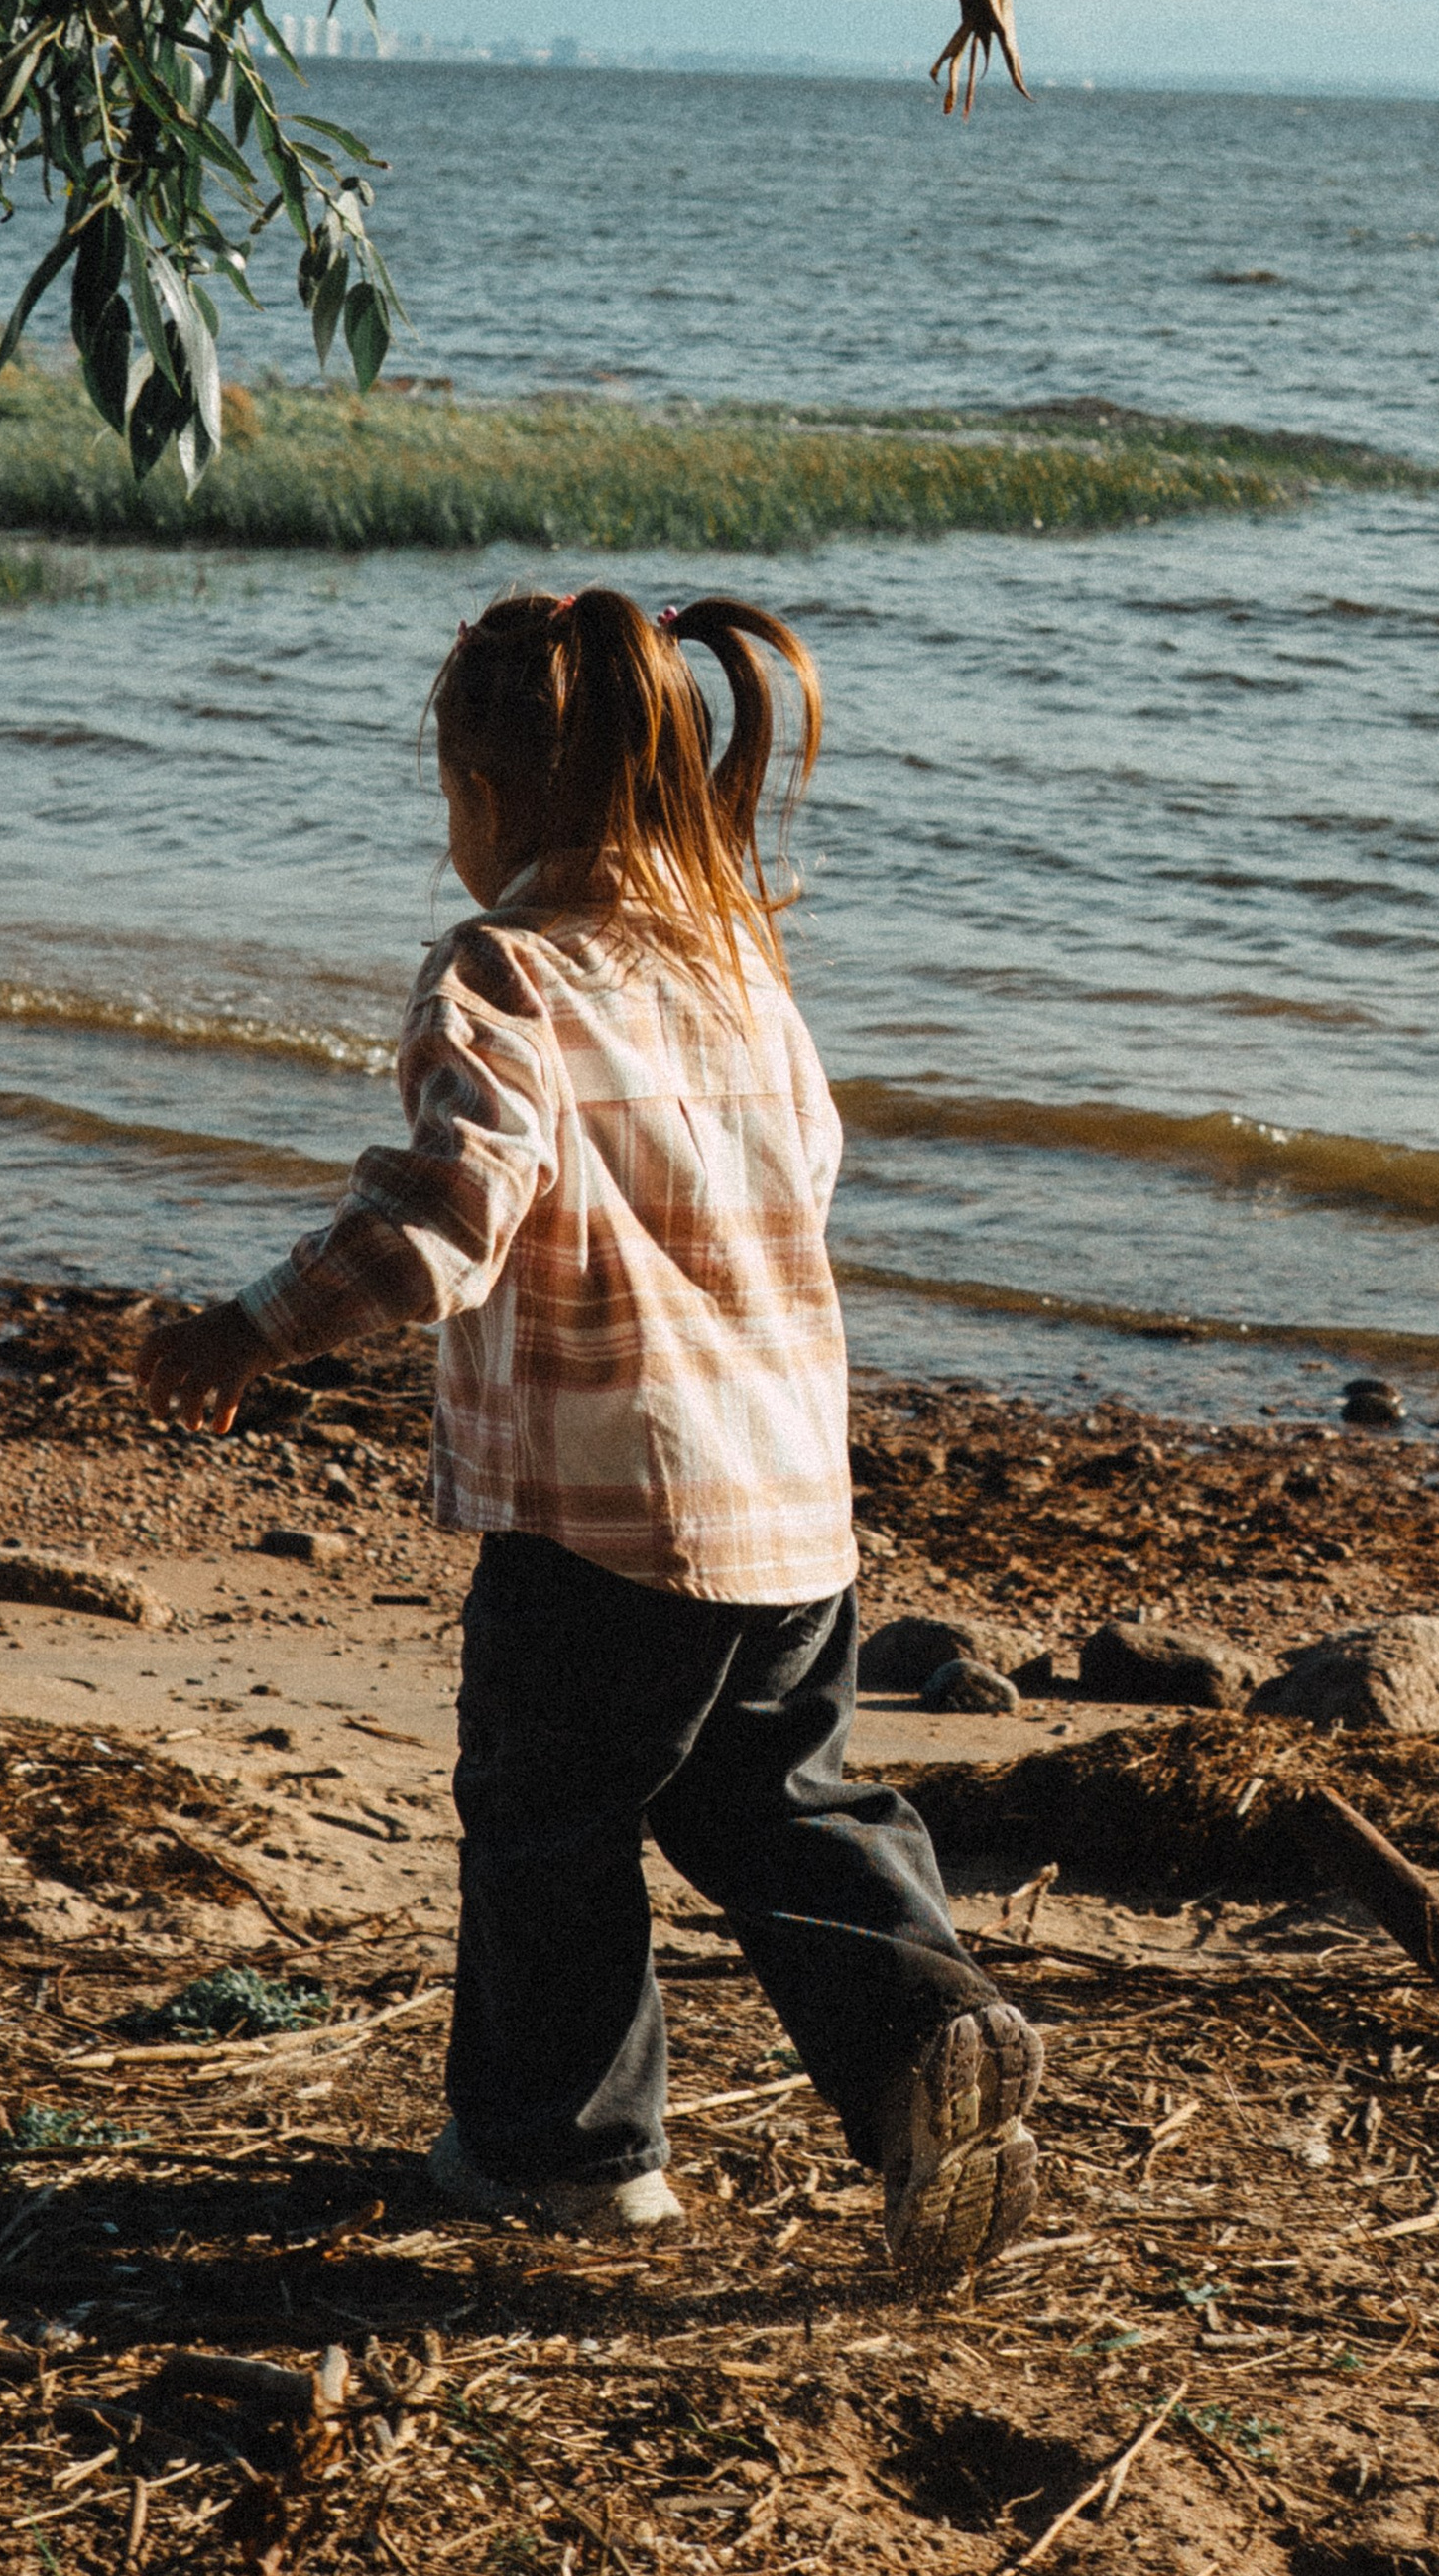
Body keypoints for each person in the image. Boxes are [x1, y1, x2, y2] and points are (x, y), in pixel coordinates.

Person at [136, 588, 1042, 2287]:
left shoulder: (503, 973)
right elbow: (803, 1196)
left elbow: (439, 1225)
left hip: (603, 1518)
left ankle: (569, 2155)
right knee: (784, 1803)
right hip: (789, 1510)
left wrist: (250, 1326)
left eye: (454, 793)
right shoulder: (739, 975)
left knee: (547, 1819)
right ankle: (932, 2027)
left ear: (493, 788)